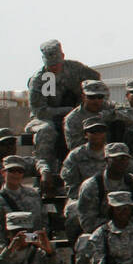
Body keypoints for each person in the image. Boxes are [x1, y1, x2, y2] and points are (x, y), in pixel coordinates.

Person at [26, 39, 101, 193]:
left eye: (56, 63)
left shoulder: (75, 68)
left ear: (63, 56)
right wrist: (67, 110)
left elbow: (95, 80)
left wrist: (83, 101)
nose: (54, 67)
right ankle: (45, 172)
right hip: (45, 119)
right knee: (47, 130)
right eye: (51, 64)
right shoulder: (40, 80)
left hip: (74, 114)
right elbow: (40, 111)